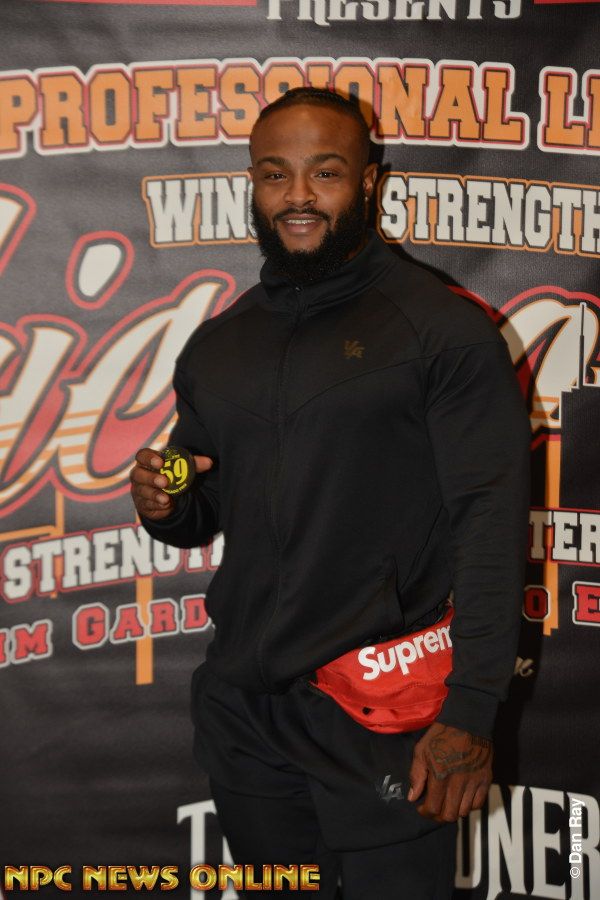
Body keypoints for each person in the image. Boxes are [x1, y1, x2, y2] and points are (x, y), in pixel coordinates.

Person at [130, 88, 531, 898]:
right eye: (275, 174)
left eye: (325, 172)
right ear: (253, 182)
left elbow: (490, 524)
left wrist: (471, 708)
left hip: (383, 715)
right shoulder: (219, 344)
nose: (299, 196)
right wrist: (166, 506)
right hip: (246, 716)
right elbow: (206, 503)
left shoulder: (442, 329)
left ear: (370, 181)